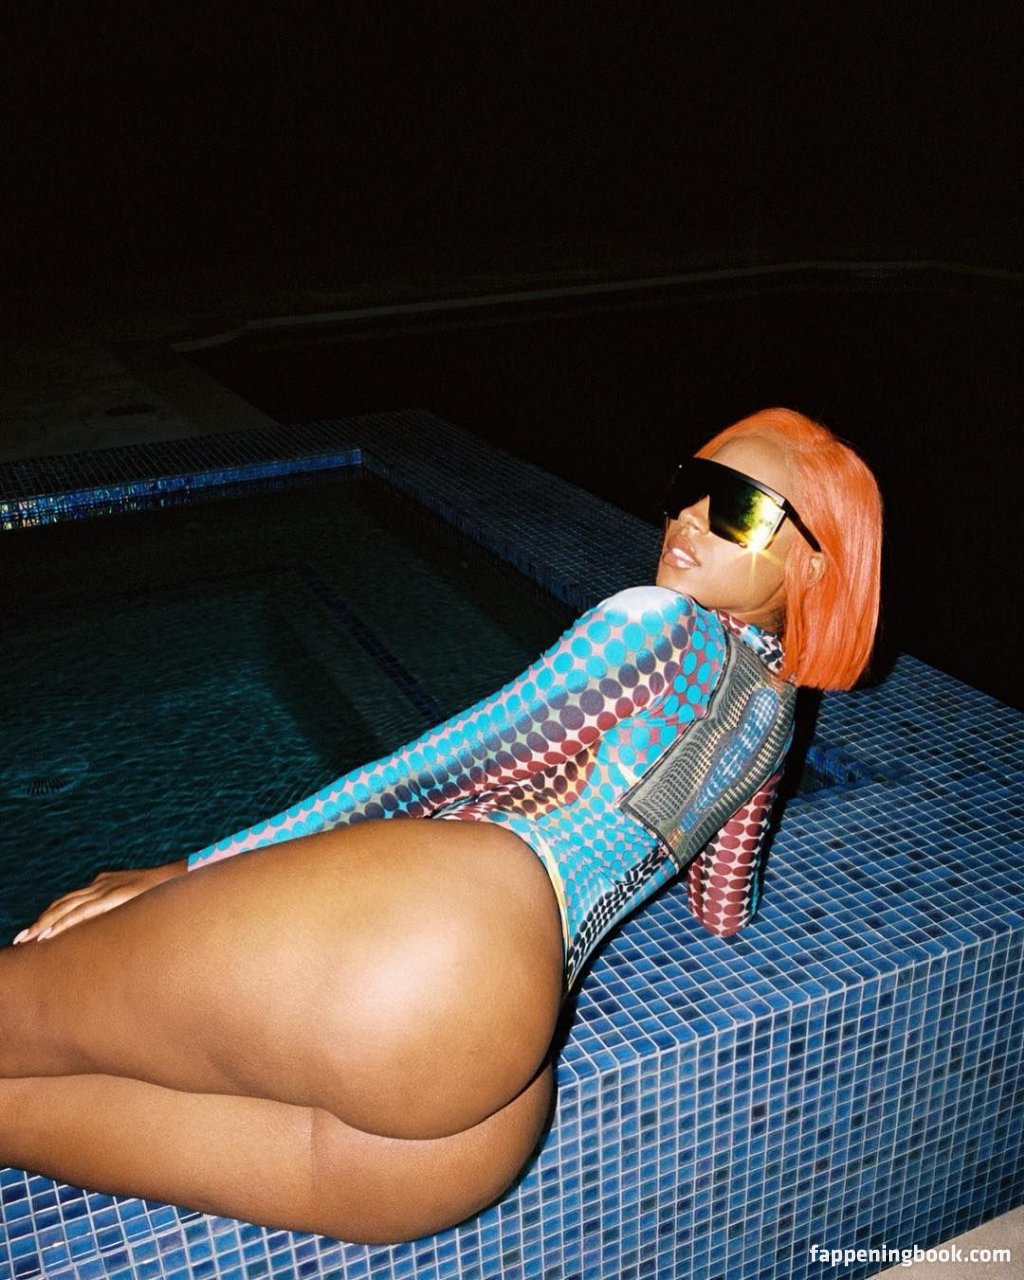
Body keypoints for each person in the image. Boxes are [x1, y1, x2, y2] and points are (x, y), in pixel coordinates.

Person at [0, 407, 882, 1243]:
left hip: (437, 923)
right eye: (692, 486)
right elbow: (723, 905)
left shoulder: (656, 625)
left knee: (24, 1010)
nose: (688, 519)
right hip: (494, 1087)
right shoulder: (776, 719)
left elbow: (437, 768)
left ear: (814, 566)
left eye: (739, 509)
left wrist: (191, 870)